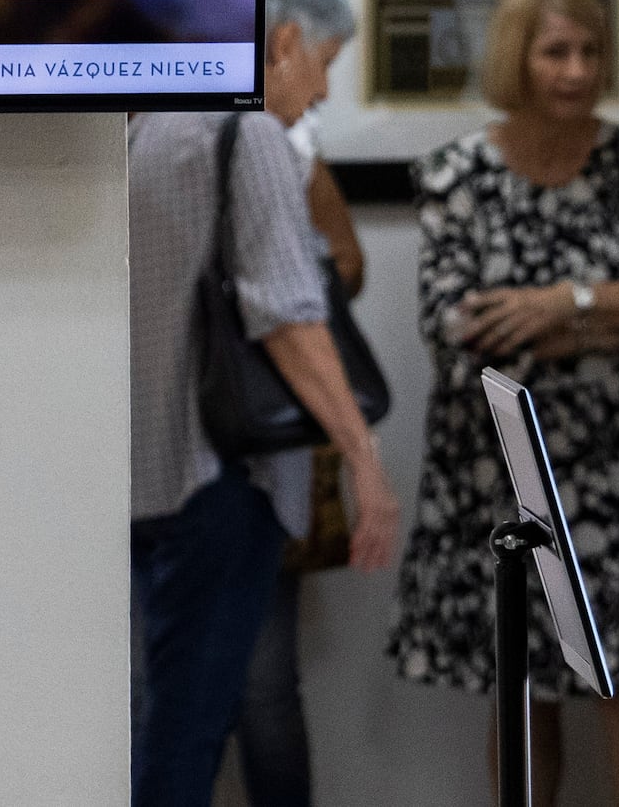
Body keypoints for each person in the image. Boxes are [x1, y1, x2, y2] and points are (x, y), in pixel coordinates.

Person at [385, 0, 619, 807]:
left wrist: (554, 306)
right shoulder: (459, 173)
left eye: (591, 51)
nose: (577, 69)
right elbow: (454, 328)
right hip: (499, 470)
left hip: (616, 470)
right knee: (524, 688)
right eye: (556, 51)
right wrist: (616, 316)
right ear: (516, 57)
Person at [130, 0, 401, 807]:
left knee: (165, 720)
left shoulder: (152, 120)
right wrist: (363, 456)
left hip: (146, 477)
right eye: (322, 62)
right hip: (220, 477)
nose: (320, 88)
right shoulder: (247, 132)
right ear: (281, 40)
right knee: (187, 736)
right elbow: (287, 314)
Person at [231, 114, 366, 807]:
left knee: (265, 687)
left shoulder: (278, 141)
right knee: (142, 689)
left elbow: (346, 263)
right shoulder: (131, 132)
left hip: (259, 444)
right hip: (151, 450)